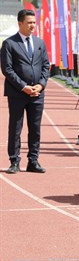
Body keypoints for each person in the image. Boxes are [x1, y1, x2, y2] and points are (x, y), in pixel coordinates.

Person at [1, 9, 50, 174]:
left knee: (35, 128)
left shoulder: (39, 43)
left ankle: (33, 161)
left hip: (37, 93)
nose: (32, 26)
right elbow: (7, 69)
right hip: (17, 93)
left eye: (34, 23)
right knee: (16, 127)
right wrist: (23, 87)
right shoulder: (9, 44)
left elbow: (45, 66)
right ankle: (14, 161)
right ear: (20, 23)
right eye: (29, 23)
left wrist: (41, 85)